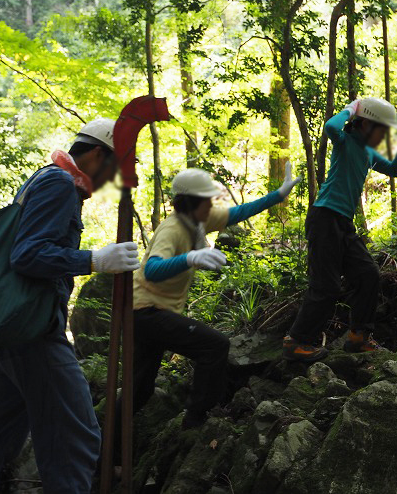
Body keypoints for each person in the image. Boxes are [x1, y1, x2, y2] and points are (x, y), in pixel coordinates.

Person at [0, 119, 141, 494]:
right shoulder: (60, 184)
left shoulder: (44, 178)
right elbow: (29, 255)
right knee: (75, 439)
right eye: (112, 170)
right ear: (97, 155)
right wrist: (94, 260)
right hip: (33, 335)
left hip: (5, 331)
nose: (110, 182)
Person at [128, 164, 301, 429]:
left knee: (139, 392)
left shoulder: (197, 221)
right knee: (214, 346)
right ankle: (196, 420)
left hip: (149, 314)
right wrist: (190, 257)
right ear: (191, 202)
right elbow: (151, 270)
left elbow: (237, 213)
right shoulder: (172, 228)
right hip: (147, 313)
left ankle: (103, 451)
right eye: (207, 200)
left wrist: (278, 195)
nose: (212, 204)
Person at [284, 98, 397, 362]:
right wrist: (351, 108)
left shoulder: (367, 151)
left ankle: (359, 336)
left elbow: (395, 170)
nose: (382, 136)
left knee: (368, 273)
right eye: (381, 130)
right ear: (365, 124)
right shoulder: (345, 141)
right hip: (325, 218)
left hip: (343, 223)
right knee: (326, 286)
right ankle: (297, 341)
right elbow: (330, 127)